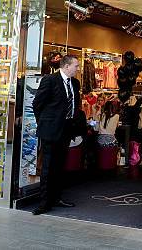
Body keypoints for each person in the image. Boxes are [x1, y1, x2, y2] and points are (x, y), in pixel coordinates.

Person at [31, 54, 81, 215]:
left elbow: (75, 104)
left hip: (66, 129)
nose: (78, 69)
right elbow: (37, 104)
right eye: (76, 66)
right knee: (47, 167)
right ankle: (44, 202)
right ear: (66, 66)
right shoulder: (50, 80)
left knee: (60, 166)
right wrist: (44, 123)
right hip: (50, 130)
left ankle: (57, 197)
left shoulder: (75, 83)